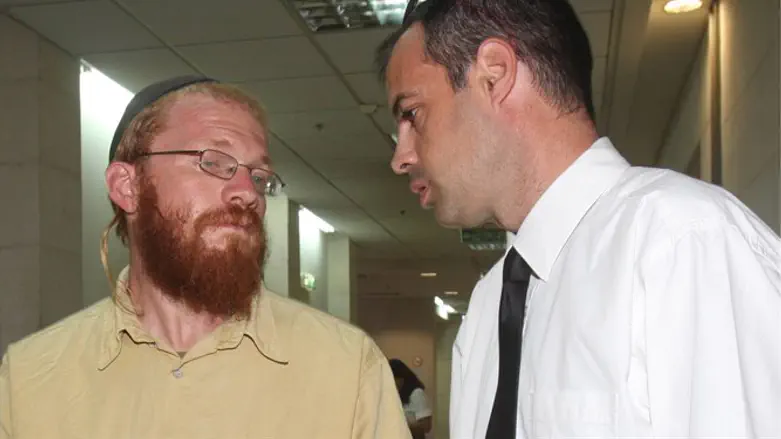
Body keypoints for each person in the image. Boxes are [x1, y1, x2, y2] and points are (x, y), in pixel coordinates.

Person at [375, 0, 781, 438]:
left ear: (493, 74)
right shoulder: (486, 307)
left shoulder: (681, 242)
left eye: (412, 114)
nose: (401, 157)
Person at [0, 76, 411, 439]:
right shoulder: (28, 380)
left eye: (259, 176)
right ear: (127, 187)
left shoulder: (346, 368)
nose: (247, 192)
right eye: (213, 162)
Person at [389, 359, 433, 439]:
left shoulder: (416, 394)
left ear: (401, 379)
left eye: (392, 379)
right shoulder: (396, 395)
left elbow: (427, 426)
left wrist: (401, 424)